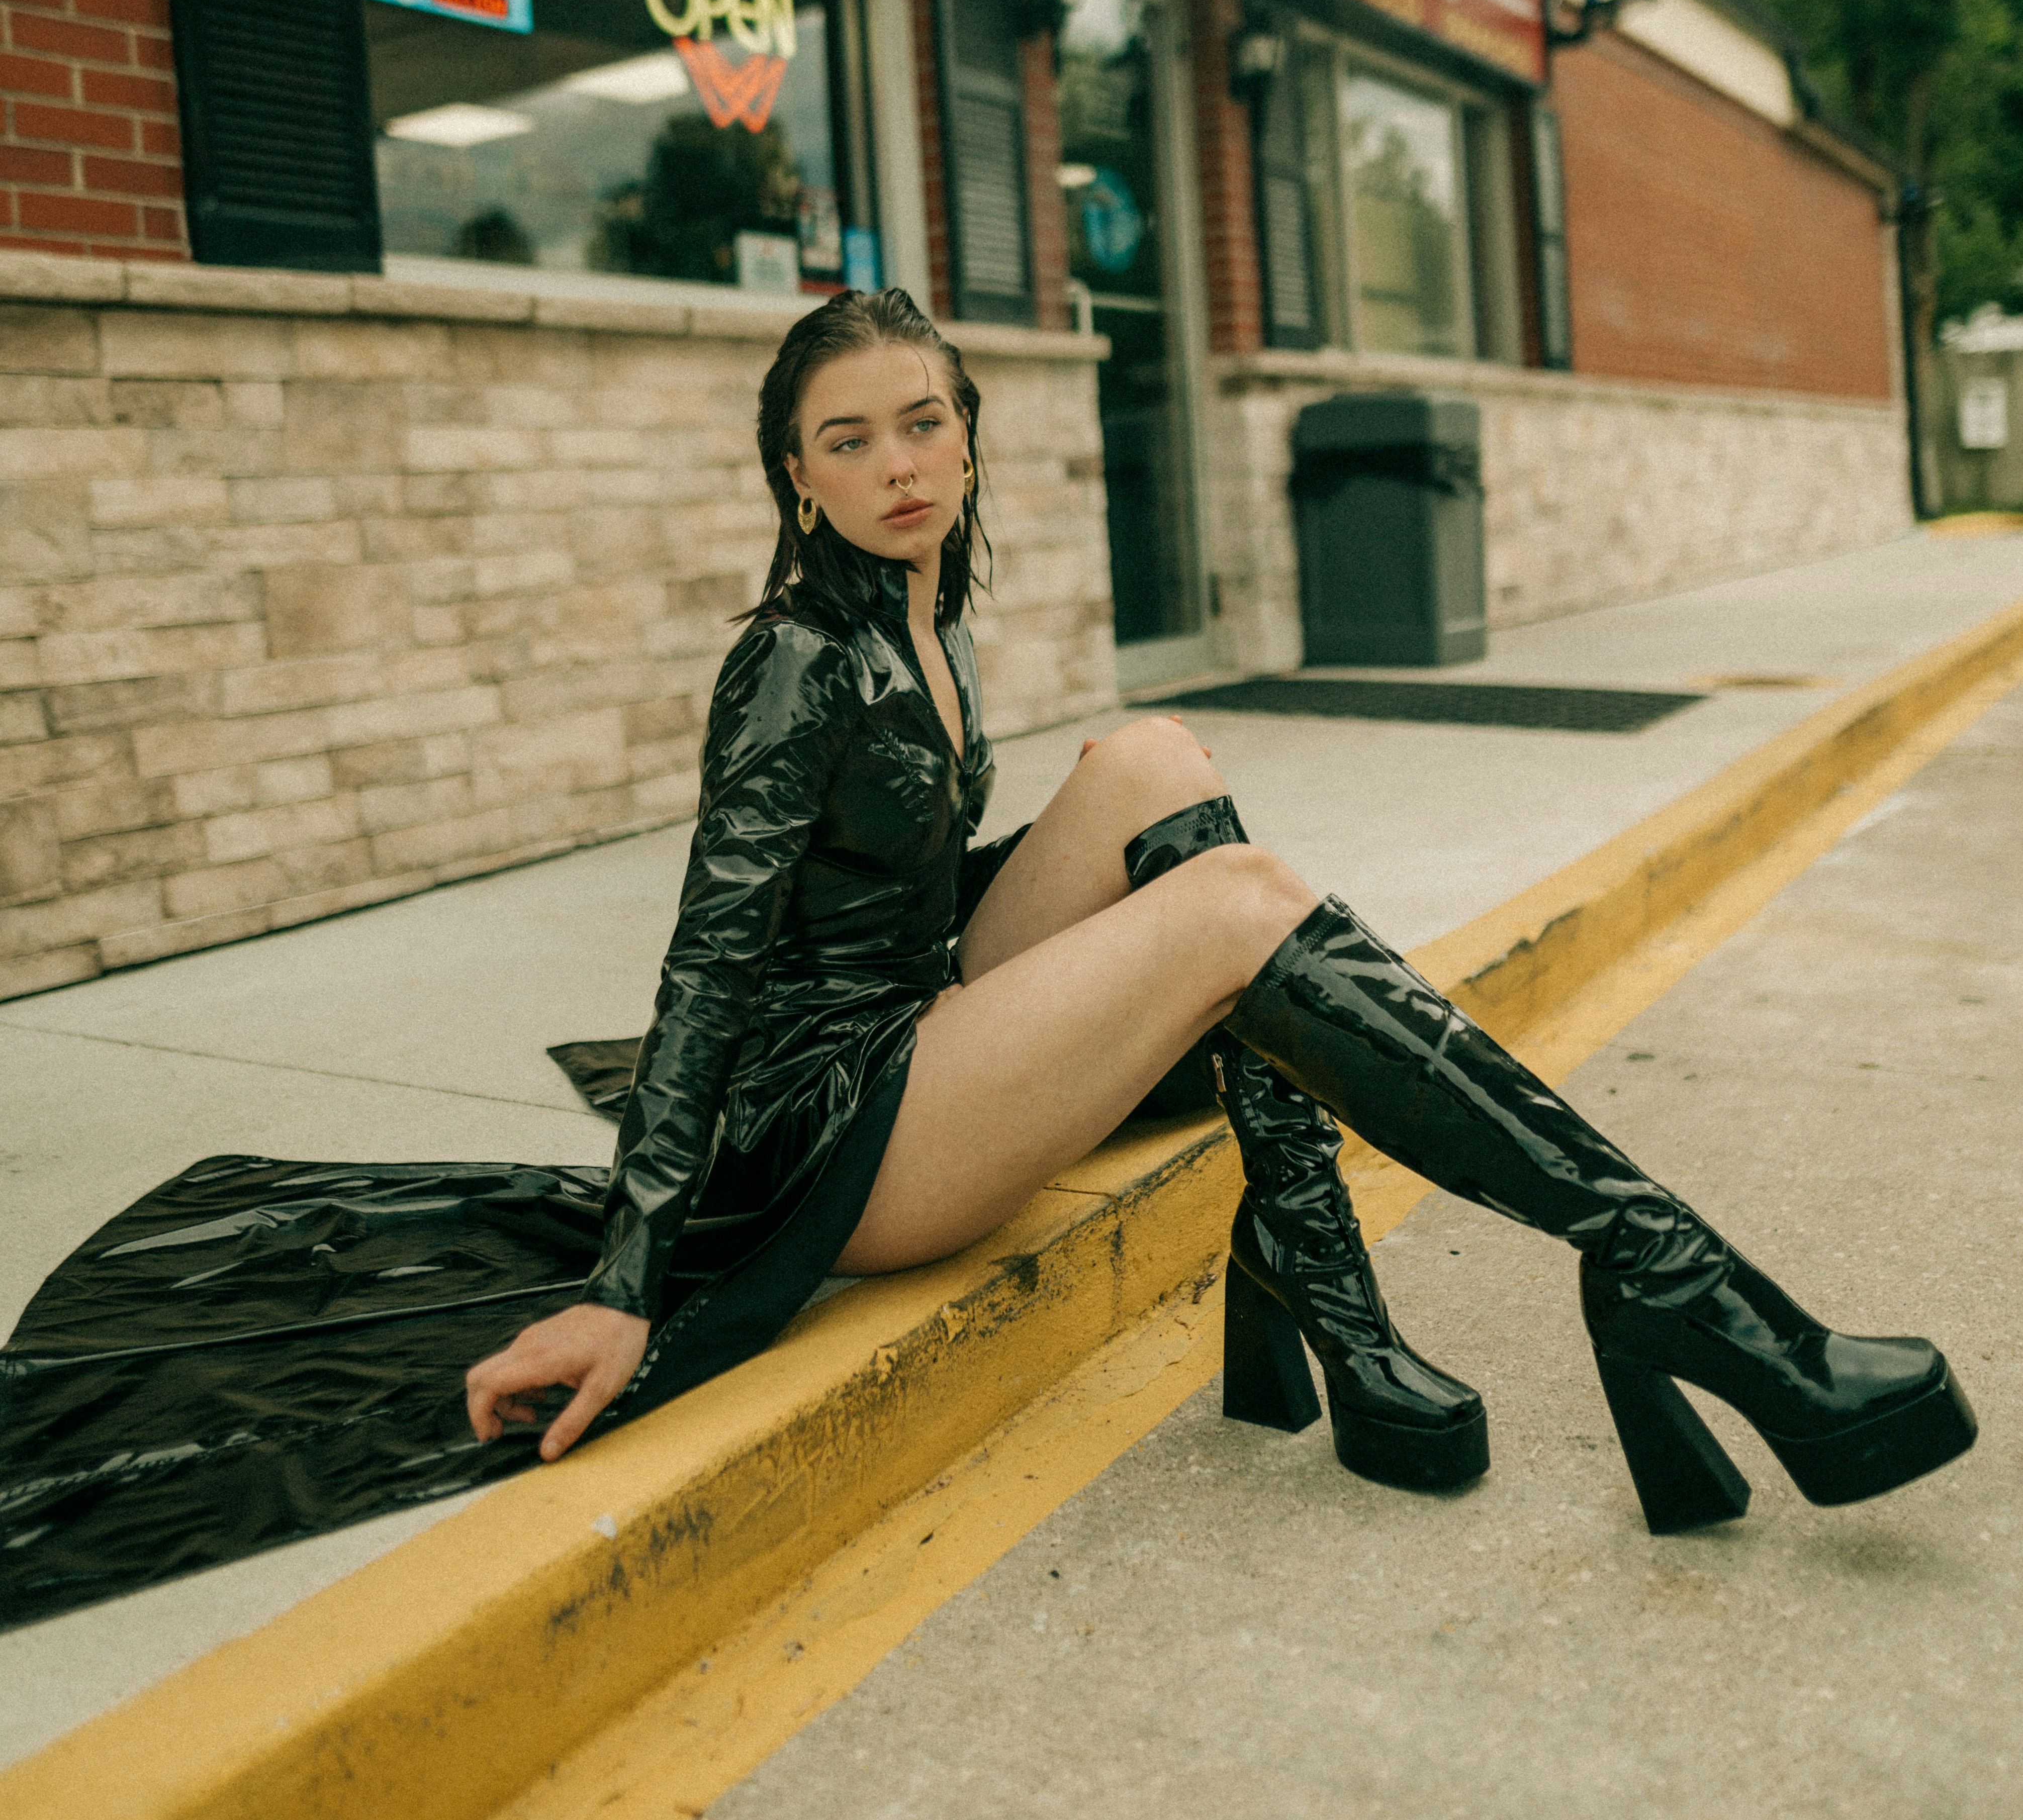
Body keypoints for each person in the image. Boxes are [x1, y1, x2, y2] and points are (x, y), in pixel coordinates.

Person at [466, 289, 1977, 1536]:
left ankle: (1318, 1277)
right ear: (800, 479)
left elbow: (891, 875)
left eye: (924, 423)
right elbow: (709, 967)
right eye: (848, 443)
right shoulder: (793, 660)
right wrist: (628, 1282)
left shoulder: (925, 609)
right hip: (824, 1136)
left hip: (907, 1016)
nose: (898, 466)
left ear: (970, 441)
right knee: (1235, 905)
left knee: (1156, 764)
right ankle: (1669, 1286)